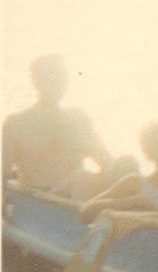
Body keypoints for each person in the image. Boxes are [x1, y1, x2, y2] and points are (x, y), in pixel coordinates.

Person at [2, 54, 116, 199]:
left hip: (75, 200)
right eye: (51, 76)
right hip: (38, 203)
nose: (58, 82)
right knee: (83, 177)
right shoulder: (16, 124)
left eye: (62, 76)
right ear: (36, 81)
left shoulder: (78, 119)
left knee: (124, 166)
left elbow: (106, 161)